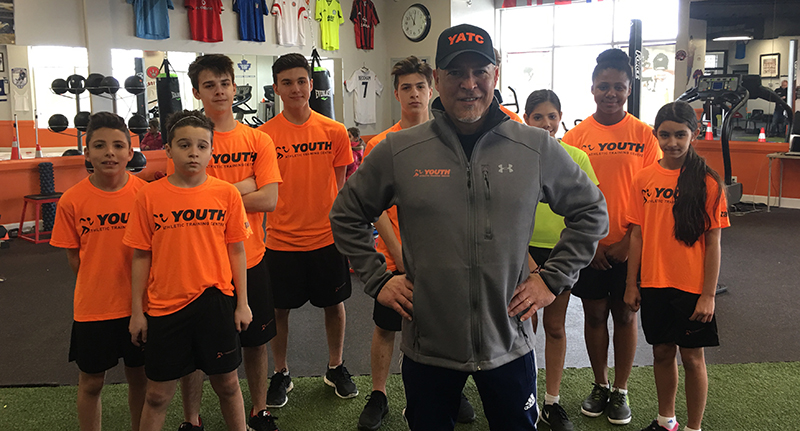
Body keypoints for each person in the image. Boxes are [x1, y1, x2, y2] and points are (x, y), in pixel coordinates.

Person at [330, 24, 608, 430]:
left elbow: (591, 211)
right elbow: (347, 213)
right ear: (437, 79)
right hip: (429, 346)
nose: (469, 84)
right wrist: (378, 279)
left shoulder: (534, 146)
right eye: (456, 72)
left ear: (496, 74)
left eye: (479, 71)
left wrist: (552, 279)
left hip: (509, 341)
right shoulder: (400, 149)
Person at [356, 55, 475, 431]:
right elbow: (371, 208)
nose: (414, 94)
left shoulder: (449, 137)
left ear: (432, 89)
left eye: (420, 86)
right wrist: (398, 254)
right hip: (396, 260)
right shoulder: (381, 143)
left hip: (440, 257)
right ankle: (379, 394)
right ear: (396, 94)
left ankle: (445, 390)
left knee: (442, 326)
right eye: (406, 87)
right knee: (387, 326)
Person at [173, 54, 283, 431]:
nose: (218, 91)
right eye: (209, 85)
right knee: (194, 351)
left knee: (255, 341)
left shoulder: (258, 139)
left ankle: (259, 410)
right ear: (196, 92)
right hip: (200, 264)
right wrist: (245, 186)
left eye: (224, 83)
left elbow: (269, 199)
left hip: (249, 258)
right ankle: (191, 419)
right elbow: (186, 197)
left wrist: (218, 195)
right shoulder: (192, 140)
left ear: (235, 87)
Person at [124, 110, 253, 431]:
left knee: (228, 386)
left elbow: (237, 250)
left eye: (201, 146)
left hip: (216, 303)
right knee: (156, 396)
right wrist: (137, 312)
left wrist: (243, 303)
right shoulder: (148, 196)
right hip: (165, 308)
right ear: (168, 149)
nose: (193, 152)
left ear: (211, 150)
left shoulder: (226, 194)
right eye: (184, 145)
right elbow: (140, 256)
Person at [562, 48, 661, 426]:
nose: (611, 94)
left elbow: (650, 196)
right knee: (593, 315)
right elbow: (567, 198)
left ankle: (621, 389)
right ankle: (600, 384)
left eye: (618, 87)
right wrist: (593, 243)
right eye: (604, 86)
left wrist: (624, 243)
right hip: (589, 246)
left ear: (629, 88)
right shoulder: (576, 137)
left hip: (631, 245)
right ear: (592, 88)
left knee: (624, 315)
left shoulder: (645, 135)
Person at [257, 53, 357, 408]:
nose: (296, 88)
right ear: (276, 88)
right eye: (287, 82)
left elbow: (339, 185)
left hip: (326, 240)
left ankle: (336, 366)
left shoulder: (334, 131)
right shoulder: (264, 137)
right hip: (281, 240)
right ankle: (281, 372)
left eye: (302, 81)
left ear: (311, 85)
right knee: (278, 311)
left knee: (335, 305)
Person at [624, 101, 729, 431]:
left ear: (693, 134)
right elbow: (637, 235)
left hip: (692, 288)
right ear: (656, 135)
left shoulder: (709, 183)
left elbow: (713, 243)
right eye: (665, 135)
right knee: (661, 353)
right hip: (654, 283)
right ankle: (666, 420)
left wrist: (708, 295)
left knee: (692, 358)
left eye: (680, 134)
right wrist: (632, 283)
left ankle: (693, 428)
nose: (672, 142)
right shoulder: (643, 178)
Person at [50, 112, 147, 431]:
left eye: (118, 145)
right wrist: (97, 287)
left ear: (130, 153)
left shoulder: (145, 196)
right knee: (91, 383)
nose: (110, 152)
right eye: (100, 146)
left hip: (140, 308)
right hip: (93, 310)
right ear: (87, 152)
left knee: (140, 379)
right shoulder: (72, 201)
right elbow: (75, 259)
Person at [522, 89, 598, 431]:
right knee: (524, 329)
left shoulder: (576, 158)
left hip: (560, 255)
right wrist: (525, 259)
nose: (546, 123)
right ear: (526, 120)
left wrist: (558, 264)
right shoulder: (516, 157)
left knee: (554, 327)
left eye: (552, 116)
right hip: (521, 254)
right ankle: (526, 396)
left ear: (561, 118)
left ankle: (551, 401)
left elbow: (588, 211)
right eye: (538, 116)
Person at [493, 48, 523, 124]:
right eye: (458, 72)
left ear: (496, 75)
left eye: (481, 72)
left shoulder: (513, 121)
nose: (470, 84)